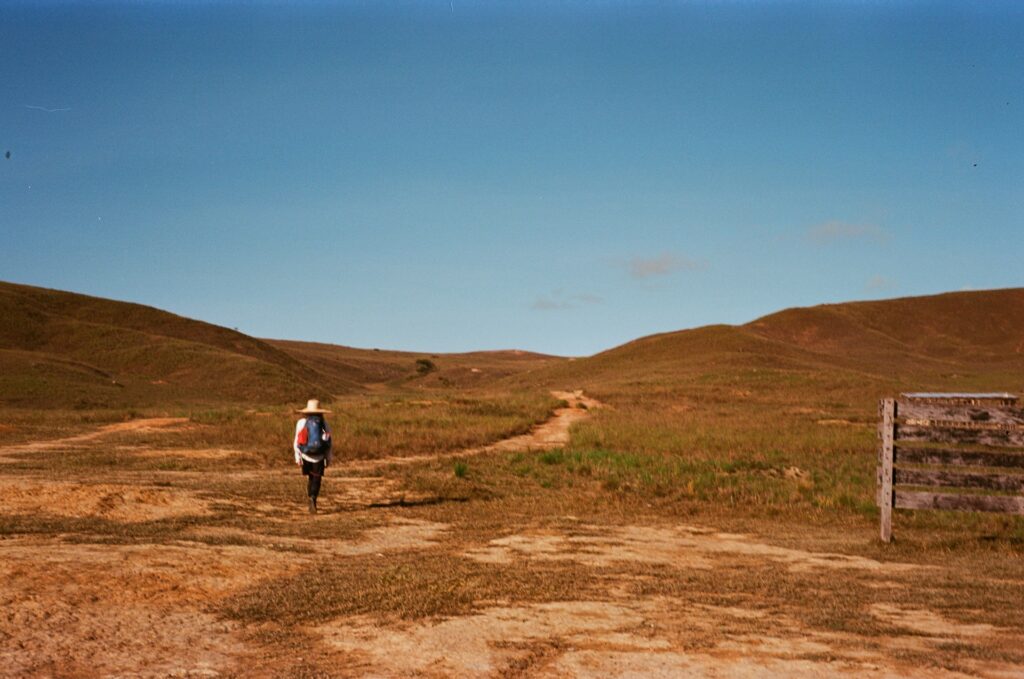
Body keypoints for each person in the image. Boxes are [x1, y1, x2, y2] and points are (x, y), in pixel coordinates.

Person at [293, 399, 333, 514]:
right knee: (317, 478)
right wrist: (328, 457)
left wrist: (298, 456)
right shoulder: (324, 424)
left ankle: (310, 496)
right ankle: (313, 498)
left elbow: (297, 440)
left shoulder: (301, 422)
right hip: (319, 456)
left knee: (310, 477)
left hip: (305, 454)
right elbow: (328, 442)